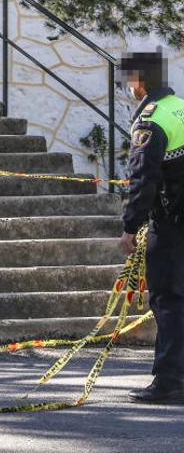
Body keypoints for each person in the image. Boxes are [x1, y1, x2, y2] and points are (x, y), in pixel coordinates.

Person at [118, 51, 184, 404]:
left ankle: (170, 381)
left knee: (169, 298)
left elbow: (143, 178)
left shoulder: (151, 119)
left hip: (172, 222)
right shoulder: (181, 107)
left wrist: (131, 225)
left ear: (139, 81)